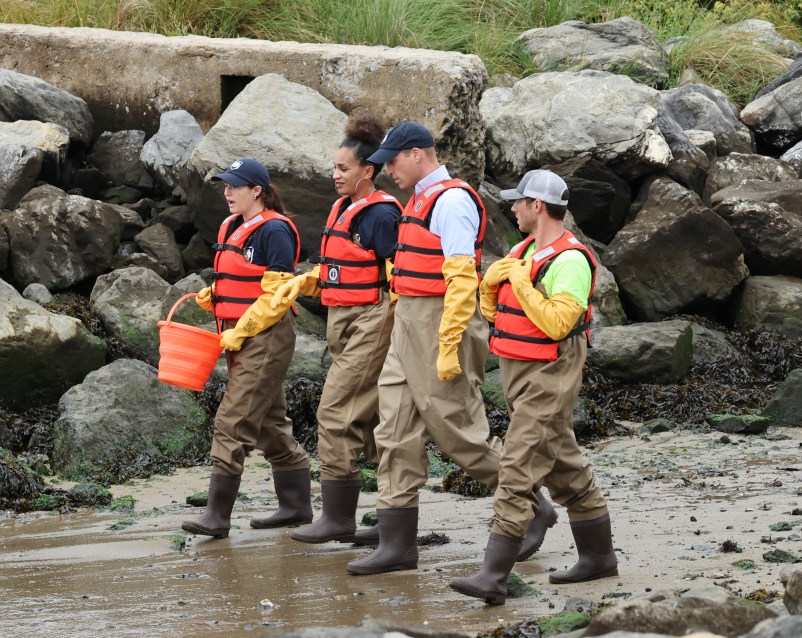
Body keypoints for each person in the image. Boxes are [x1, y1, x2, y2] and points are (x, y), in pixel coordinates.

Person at [345, 122, 555, 576]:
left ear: (418, 154)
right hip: (409, 322)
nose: (386, 172)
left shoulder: (453, 201)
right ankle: (397, 543)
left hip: (442, 322)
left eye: (393, 162)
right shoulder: (418, 198)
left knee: (459, 434)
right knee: (393, 428)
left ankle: (532, 502)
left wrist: (449, 344)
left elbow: (461, 281)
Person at [449, 169, 618, 604]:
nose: (512, 208)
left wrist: (520, 282)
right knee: (565, 467)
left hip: (551, 372)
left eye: (518, 202)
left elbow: (560, 323)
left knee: (517, 466)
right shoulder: (522, 249)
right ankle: (599, 558)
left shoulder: (571, 260)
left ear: (537, 206)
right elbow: (496, 314)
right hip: (519, 371)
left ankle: (492, 576)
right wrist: (491, 285)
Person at [270, 113, 402, 544]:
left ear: (368, 171)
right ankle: (394, 516)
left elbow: (396, 277)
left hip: (373, 319)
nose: (335, 176)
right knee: (371, 424)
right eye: (334, 168)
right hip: (342, 321)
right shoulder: (342, 208)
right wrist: (304, 282)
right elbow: (337, 269)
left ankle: (338, 518)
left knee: (333, 413)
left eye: (343, 169)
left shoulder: (381, 215)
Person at [182, 157, 313, 538]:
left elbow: (278, 295)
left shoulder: (274, 231)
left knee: (232, 419)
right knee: (270, 425)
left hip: (266, 335)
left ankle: (216, 517)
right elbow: (240, 278)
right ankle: (296, 506)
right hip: (237, 336)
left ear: (257, 191)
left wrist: (245, 328)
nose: (227, 193)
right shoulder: (231, 226)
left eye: (235, 186)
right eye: (225, 186)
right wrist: (215, 296)